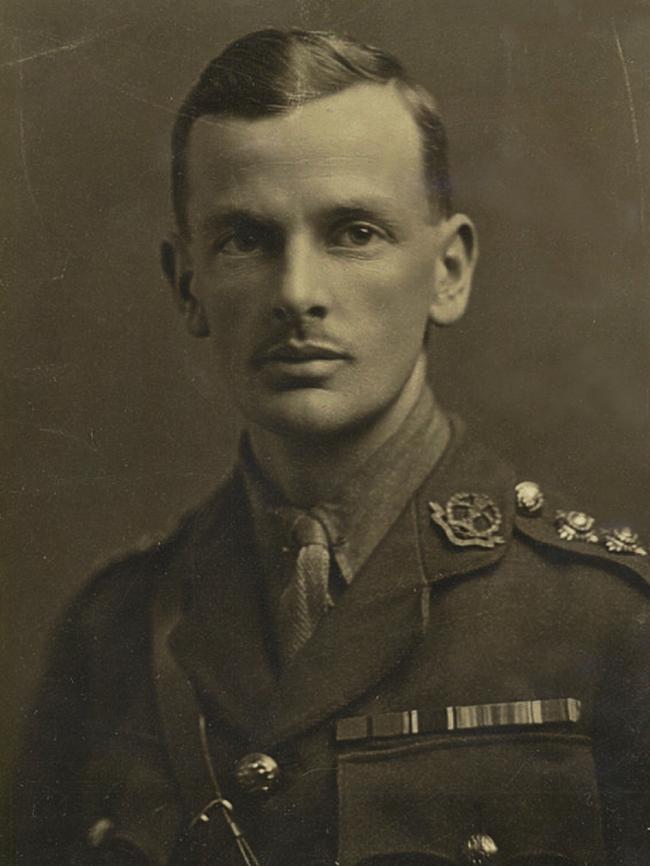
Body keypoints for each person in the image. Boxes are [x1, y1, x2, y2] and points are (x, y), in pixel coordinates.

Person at [15, 28, 649, 866]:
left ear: (449, 270)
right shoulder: (112, 631)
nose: (298, 293)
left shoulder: (611, 621)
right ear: (186, 282)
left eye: (354, 233)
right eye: (246, 239)